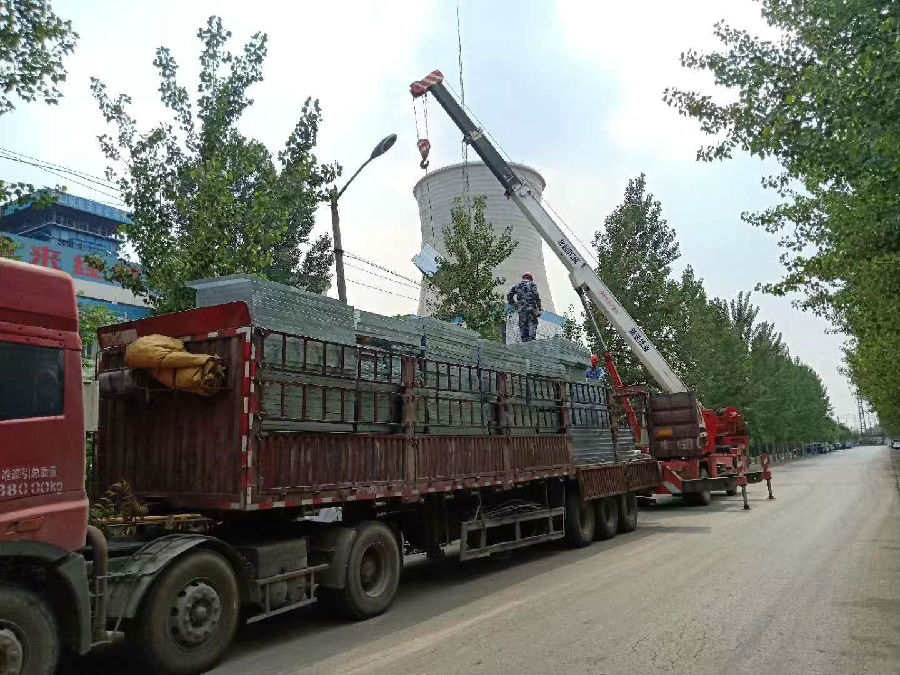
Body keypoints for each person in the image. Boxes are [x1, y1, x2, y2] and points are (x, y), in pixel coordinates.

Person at [507, 272, 542, 342]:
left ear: (523, 278)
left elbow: (509, 295)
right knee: (532, 328)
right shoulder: (532, 284)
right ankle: (531, 344)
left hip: (521, 311)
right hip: (531, 310)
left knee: (523, 330)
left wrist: (514, 304)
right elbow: (536, 295)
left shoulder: (517, 285)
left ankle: (524, 345)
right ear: (530, 278)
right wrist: (539, 308)